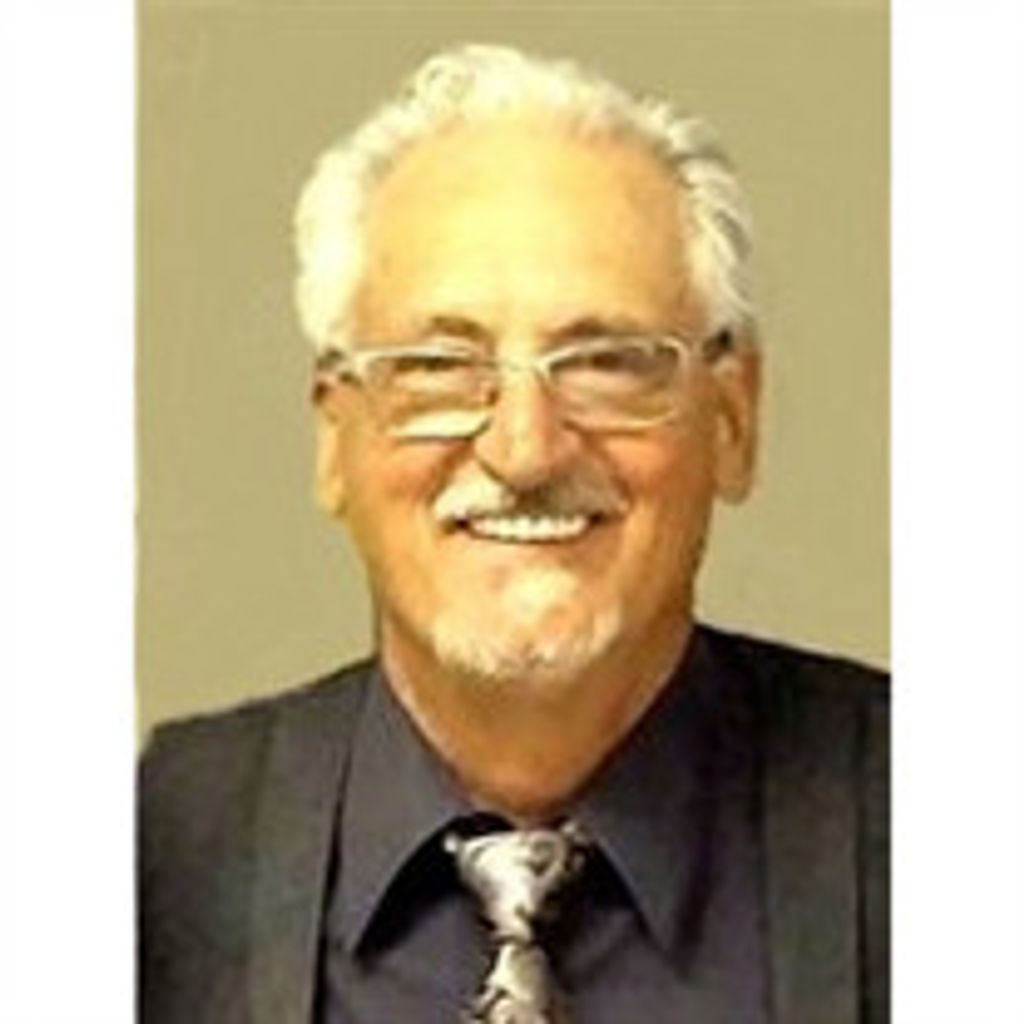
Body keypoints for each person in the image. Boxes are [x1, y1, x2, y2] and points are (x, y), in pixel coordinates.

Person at [139, 44, 888, 1024]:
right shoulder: (135, 846)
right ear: (334, 437)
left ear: (732, 421)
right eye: (438, 365)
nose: (524, 449)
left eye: (606, 361)